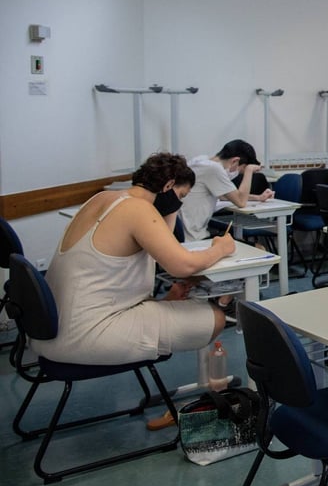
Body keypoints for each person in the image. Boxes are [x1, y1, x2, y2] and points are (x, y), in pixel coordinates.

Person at [32, 153, 236, 366]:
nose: (179, 205)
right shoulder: (138, 209)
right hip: (86, 336)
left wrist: (171, 205)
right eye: (181, 196)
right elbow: (182, 265)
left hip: (50, 330)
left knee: (173, 308)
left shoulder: (102, 199)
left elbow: (160, 248)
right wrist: (221, 248)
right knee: (215, 318)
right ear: (168, 186)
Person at [181, 139, 274, 241]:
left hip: (185, 233)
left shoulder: (201, 161)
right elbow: (241, 202)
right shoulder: (214, 169)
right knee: (259, 249)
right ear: (235, 161)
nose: (236, 173)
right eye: (240, 169)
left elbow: (225, 196)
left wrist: (258, 197)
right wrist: (249, 170)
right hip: (193, 238)